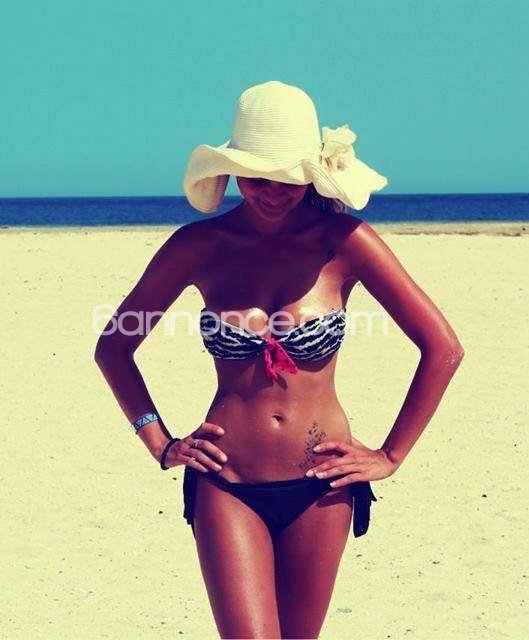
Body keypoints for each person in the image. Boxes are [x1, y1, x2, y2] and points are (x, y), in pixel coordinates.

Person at [94, 80, 464, 639]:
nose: (272, 192)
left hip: (322, 485)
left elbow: (443, 348)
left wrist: (390, 455)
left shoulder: (345, 241)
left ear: (310, 175)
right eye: (257, 178)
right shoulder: (198, 246)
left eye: (288, 179)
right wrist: (159, 441)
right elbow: (114, 346)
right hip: (226, 480)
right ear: (233, 172)